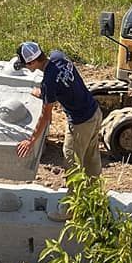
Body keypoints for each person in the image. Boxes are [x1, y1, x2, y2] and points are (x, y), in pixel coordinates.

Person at [14, 41, 102, 177]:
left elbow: (46, 116)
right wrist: (43, 93)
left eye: (25, 65)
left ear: (31, 63)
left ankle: (75, 197)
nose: (26, 67)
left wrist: (31, 141)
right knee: (91, 159)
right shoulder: (58, 56)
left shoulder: (48, 82)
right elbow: (62, 83)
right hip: (94, 112)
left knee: (72, 166)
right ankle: (95, 195)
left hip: (81, 124)